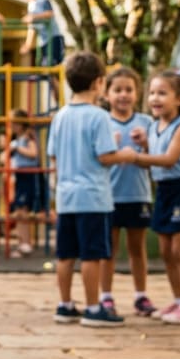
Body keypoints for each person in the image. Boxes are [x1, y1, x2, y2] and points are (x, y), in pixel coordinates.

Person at [47, 52, 138, 327]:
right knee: (92, 254)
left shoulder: (60, 116)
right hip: (93, 197)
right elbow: (105, 156)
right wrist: (126, 154)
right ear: (99, 82)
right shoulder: (99, 117)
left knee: (65, 254)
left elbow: (53, 156)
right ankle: (93, 307)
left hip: (66, 196)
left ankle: (65, 304)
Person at [130, 70, 180, 324]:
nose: (155, 98)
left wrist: (137, 157)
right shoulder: (154, 126)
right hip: (163, 189)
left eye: (162, 93)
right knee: (165, 250)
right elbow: (158, 151)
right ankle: (179, 299)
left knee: (179, 249)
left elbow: (170, 159)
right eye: (152, 93)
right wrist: (144, 144)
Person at [100, 67, 156, 317]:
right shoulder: (102, 122)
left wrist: (146, 144)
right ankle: (105, 296)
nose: (123, 95)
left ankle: (140, 295)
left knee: (137, 247)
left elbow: (156, 159)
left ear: (137, 93)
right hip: (108, 196)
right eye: (118, 90)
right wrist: (110, 147)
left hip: (138, 195)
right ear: (107, 94)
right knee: (108, 249)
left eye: (129, 90)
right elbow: (96, 158)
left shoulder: (147, 123)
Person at [5, 109, 45, 257]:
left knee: (25, 210)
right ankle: (23, 242)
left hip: (29, 174)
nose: (12, 126)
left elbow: (34, 154)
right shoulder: (18, 138)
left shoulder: (28, 137)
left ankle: (26, 243)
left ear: (21, 124)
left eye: (14, 123)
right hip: (21, 174)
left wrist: (18, 148)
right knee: (19, 210)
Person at [20, 0, 65, 67]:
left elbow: (50, 13)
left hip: (53, 38)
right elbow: (32, 27)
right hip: (43, 41)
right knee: (45, 65)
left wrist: (34, 17)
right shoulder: (31, 4)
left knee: (53, 65)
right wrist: (28, 45)